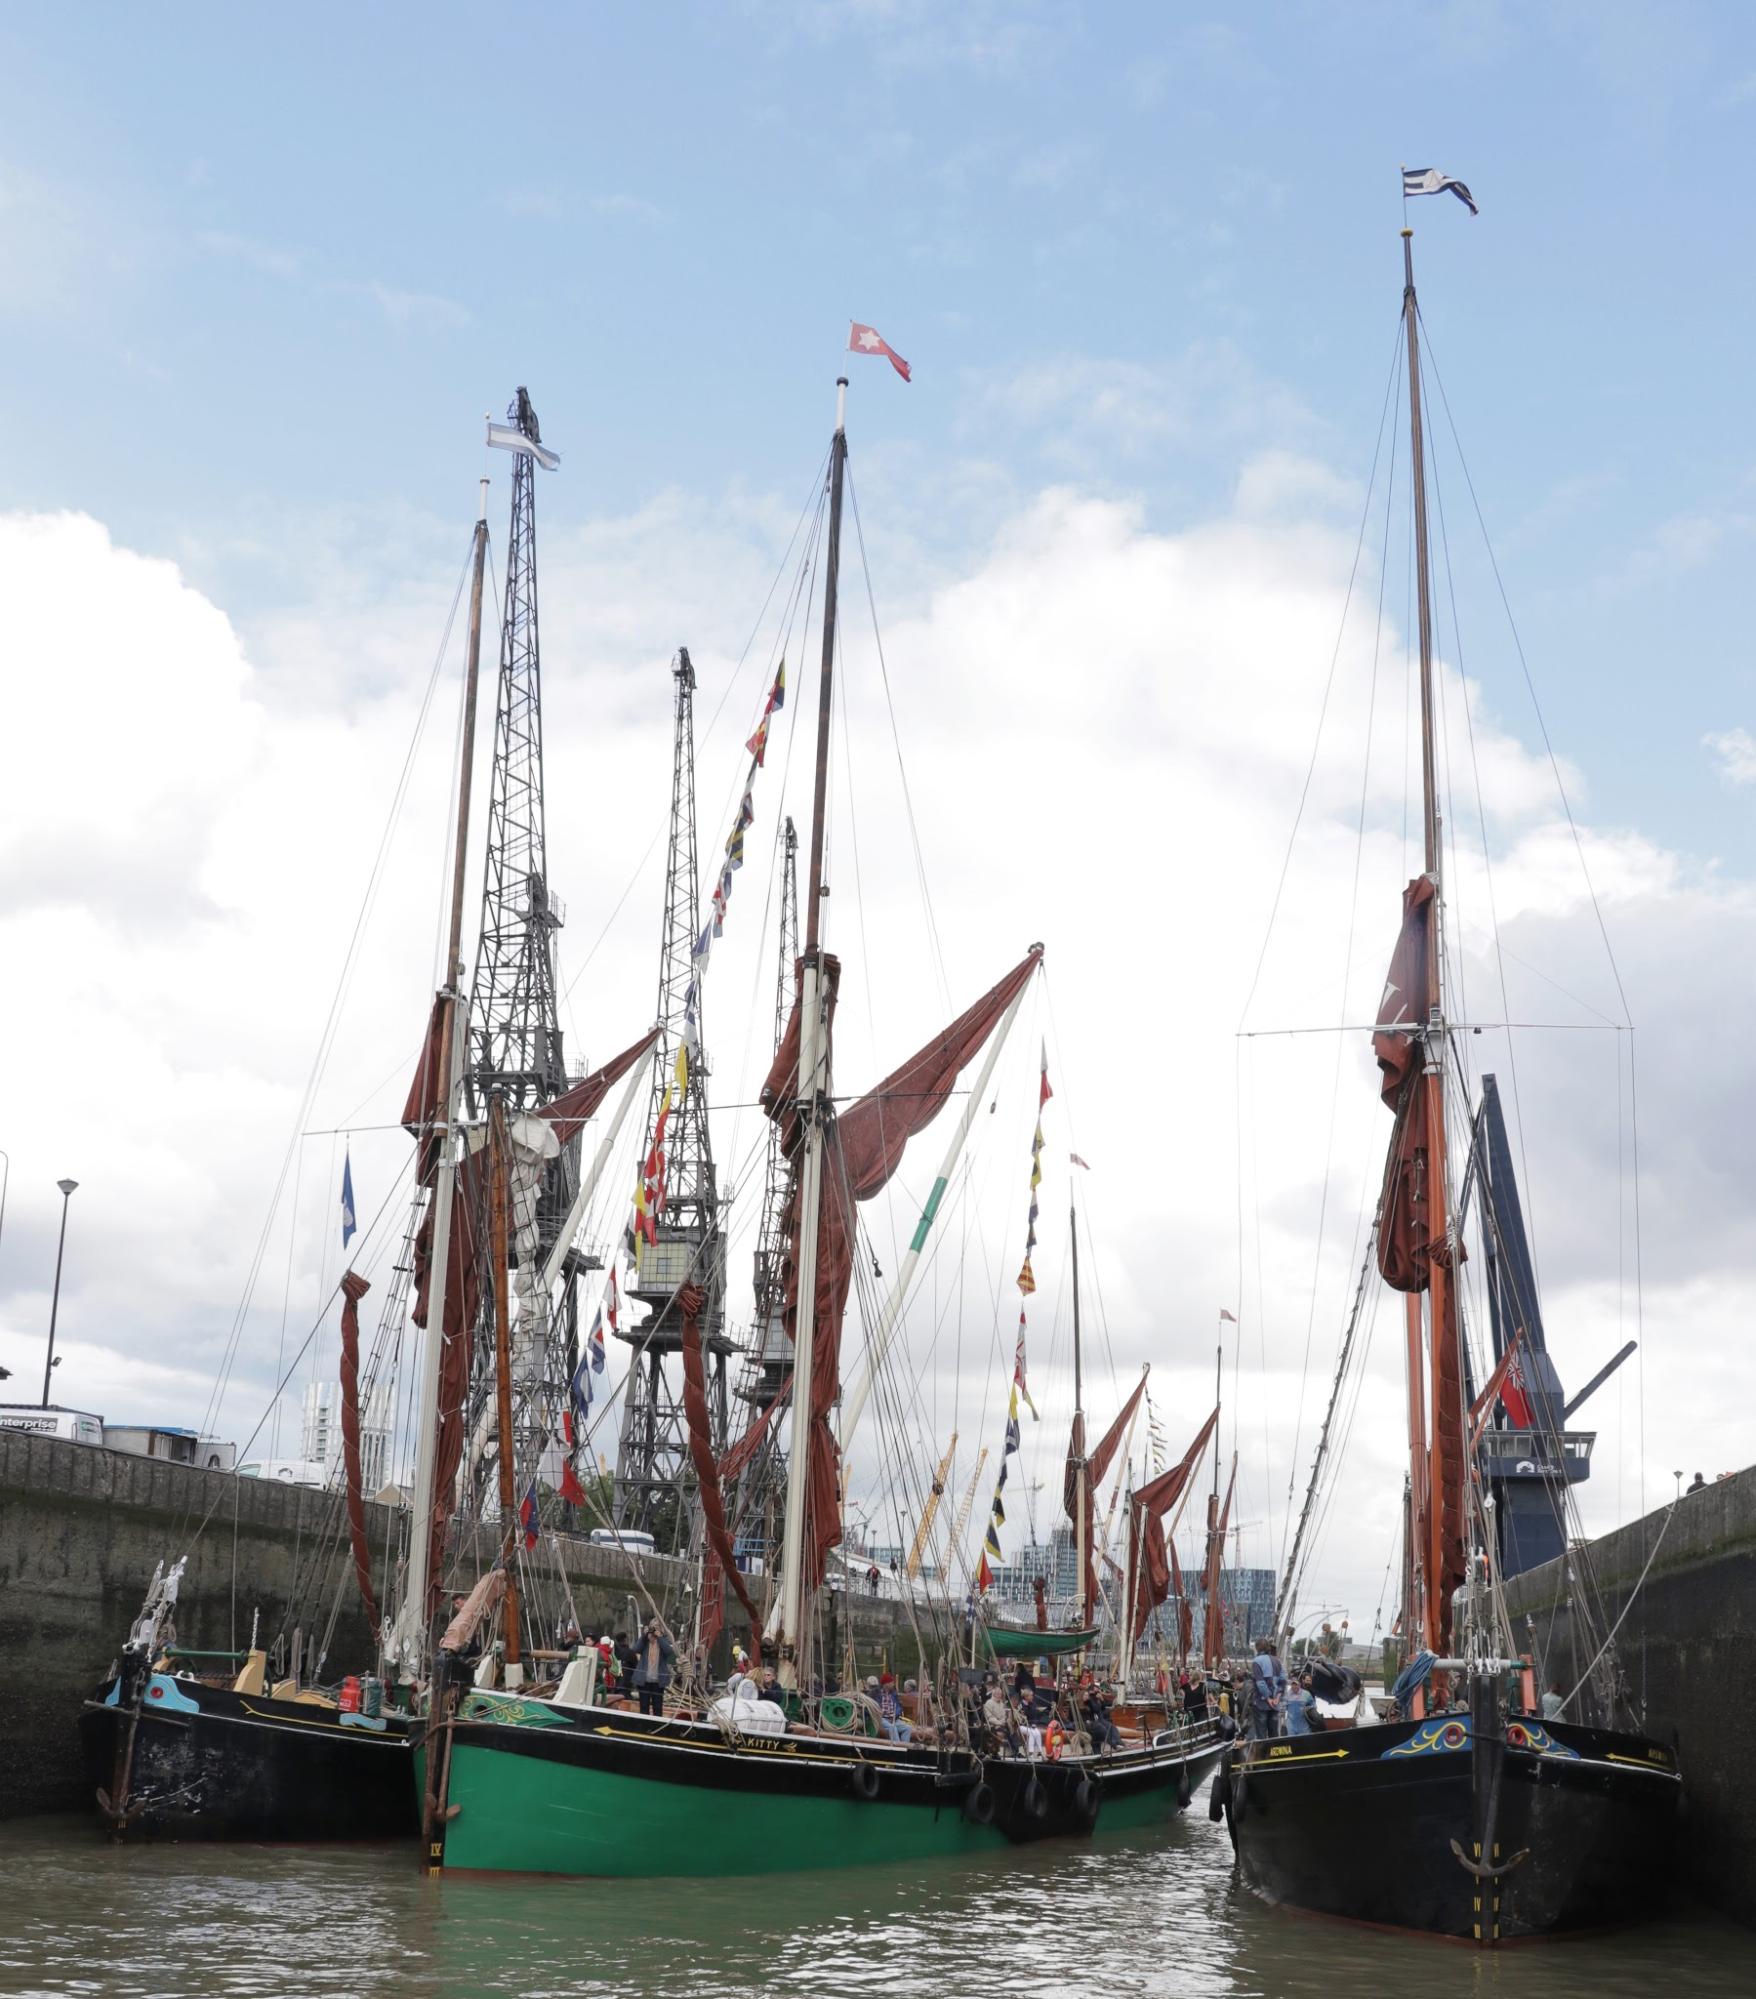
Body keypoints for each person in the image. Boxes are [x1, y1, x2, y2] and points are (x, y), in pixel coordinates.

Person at [631, 1617, 674, 1717]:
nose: (654, 1629)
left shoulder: (664, 1640)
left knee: (658, 1708)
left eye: (657, 1627)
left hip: (658, 1682)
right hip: (644, 1680)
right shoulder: (645, 1640)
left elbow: (669, 1652)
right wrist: (644, 1636)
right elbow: (635, 1649)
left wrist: (660, 1637)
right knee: (644, 1707)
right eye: (653, 1627)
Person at [1248, 1637, 1285, 1740]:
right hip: (1275, 1704)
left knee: (1261, 1734)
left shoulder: (1257, 1661)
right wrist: (1277, 1697)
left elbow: (1260, 1683)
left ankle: (1264, 1754)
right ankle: (1275, 1754)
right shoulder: (1277, 1661)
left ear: (1257, 1648)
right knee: (1274, 1733)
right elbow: (1283, 1680)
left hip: (1262, 1703)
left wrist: (1268, 1698)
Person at [1084, 1681, 1123, 1753]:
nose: (1098, 1691)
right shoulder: (1090, 1699)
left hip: (1100, 1719)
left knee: (1112, 1727)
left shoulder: (1096, 1699)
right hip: (1095, 1721)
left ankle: (1118, 1742)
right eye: (1096, 1690)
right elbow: (1095, 1709)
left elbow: (1103, 1708)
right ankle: (1114, 1744)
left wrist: (1101, 1700)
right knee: (1105, 1729)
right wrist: (1092, 1698)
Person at [875, 1678, 912, 1744]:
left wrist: (896, 1714)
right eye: (891, 1683)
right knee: (892, 1727)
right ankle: (898, 1749)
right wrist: (881, 1713)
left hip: (894, 1719)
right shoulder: (876, 1693)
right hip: (882, 1718)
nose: (893, 1684)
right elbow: (873, 1706)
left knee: (908, 1728)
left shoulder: (894, 1694)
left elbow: (899, 1707)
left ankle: (904, 1748)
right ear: (886, 1684)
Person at [1283, 1671, 1317, 1737]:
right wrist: (1283, 1722)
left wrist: (1310, 1709)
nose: (1294, 1686)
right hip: (1291, 1726)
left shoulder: (1306, 1694)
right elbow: (1282, 1709)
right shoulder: (1287, 1695)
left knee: (1306, 1742)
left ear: (1299, 1684)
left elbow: (1313, 1705)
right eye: (1293, 1684)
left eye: (1296, 1684)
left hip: (1304, 1726)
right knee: (1292, 1743)